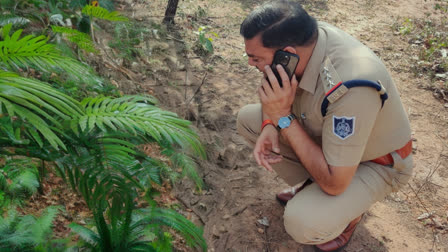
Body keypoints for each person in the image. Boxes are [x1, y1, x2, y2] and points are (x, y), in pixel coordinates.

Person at [236, 1, 414, 251]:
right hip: (333, 144)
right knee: (250, 121)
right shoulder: (302, 43)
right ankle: (315, 188)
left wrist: (283, 119)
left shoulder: (351, 88)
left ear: (286, 53)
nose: (251, 64)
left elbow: (335, 183)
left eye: (255, 58)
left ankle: (348, 215)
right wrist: (269, 122)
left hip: (377, 163)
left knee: (304, 222)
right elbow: (274, 96)